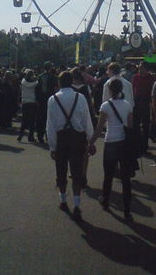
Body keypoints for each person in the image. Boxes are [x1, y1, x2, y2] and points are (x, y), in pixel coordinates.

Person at [46, 71, 93, 222]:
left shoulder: (52, 100)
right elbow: (87, 120)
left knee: (61, 170)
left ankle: (63, 200)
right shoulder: (80, 98)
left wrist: (52, 147)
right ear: (72, 81)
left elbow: (50, 126)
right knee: (77, 172)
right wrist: (90, 140)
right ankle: (77, 204)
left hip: (61, 138)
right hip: (77, 138)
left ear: (59, 83)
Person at [89, 78, 134, 220]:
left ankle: (106, 201)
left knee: (108, 175)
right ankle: (127, 209)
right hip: (124, 142)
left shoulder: (105, 106)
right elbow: (130, 126)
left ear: (109, 90)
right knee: (126, 178)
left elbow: (99, 127)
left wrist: (91, 142)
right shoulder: (127, 105)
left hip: (110, 141)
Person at [132, 61, 156, 154]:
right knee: (136, 125)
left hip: (146, 103)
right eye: (139, 68)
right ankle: (137, 144)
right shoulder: (135, 77)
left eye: (141, 68)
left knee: (146, 125)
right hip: (137, 103)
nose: (140, 69)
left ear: (146, 68)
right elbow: (133, 89)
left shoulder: (151, 78)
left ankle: (145, 146)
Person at [36, 62, 57, 143]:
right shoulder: (53, 77)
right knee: (50, 119)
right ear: (50, 68)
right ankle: (49, 136)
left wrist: (37, 100)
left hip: (41, 100)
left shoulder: (40, 76)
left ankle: (40, 136)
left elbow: (37, 89)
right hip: (50, 99)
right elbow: (56, 89)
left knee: (41, 118)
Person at [17, 69, 38, 142]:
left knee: (24, 120)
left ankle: (20, 135)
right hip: (32, 102)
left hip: (24, 102)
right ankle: (30, 137)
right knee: (32, 121)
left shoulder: (22, 82)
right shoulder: (35, 83)